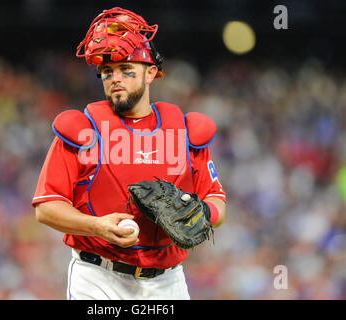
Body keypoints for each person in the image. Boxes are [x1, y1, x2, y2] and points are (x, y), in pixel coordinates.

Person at [32, 7, 226, 300]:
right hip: (99, 277)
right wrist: (96, 226)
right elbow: (46, 208)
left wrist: (204, 214)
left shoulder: (184, 131)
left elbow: (216, 201)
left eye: (126, 70)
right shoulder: (82, 129)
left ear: (150, 74)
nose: (115, 79)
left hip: (167, 283)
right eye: (107, 72)